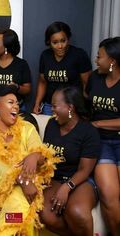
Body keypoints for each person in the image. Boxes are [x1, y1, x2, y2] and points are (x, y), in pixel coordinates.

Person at [0, 85, 59, 235]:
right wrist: (22, 180)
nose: (16, 106)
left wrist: (34, 156)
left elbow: (42, 154)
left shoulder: (27, 127)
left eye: (17, 103)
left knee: (19, 205)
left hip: (29, 184)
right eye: (11, 102)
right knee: (20, 202)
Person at [40, 86, 100, 236]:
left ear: (70, 108)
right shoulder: (52, 125)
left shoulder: (88, 131)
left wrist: (67, 187)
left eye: (54, 106)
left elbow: (85, 170)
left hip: (80, 180)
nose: (51, 110)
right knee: (45, 213)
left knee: (76, 212)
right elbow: (46, 155)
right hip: (55, 178)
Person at [86, 37, 120, 236]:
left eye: (100, 57)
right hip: (101, 143)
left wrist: (98, 123)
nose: (97, 60)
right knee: (108, 196)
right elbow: (86, 104)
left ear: (113, 61)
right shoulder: (94, 78)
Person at [33, 21, 92, 115]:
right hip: (50, 106)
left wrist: (85, 107)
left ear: (68, 39)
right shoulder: (45, 56)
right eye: (55, 42)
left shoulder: (79, 55)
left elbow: (87, 83)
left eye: (63, 41)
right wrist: (37, 103)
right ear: (49, 42)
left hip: (71, 106)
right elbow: (42, 82)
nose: (60, 46)